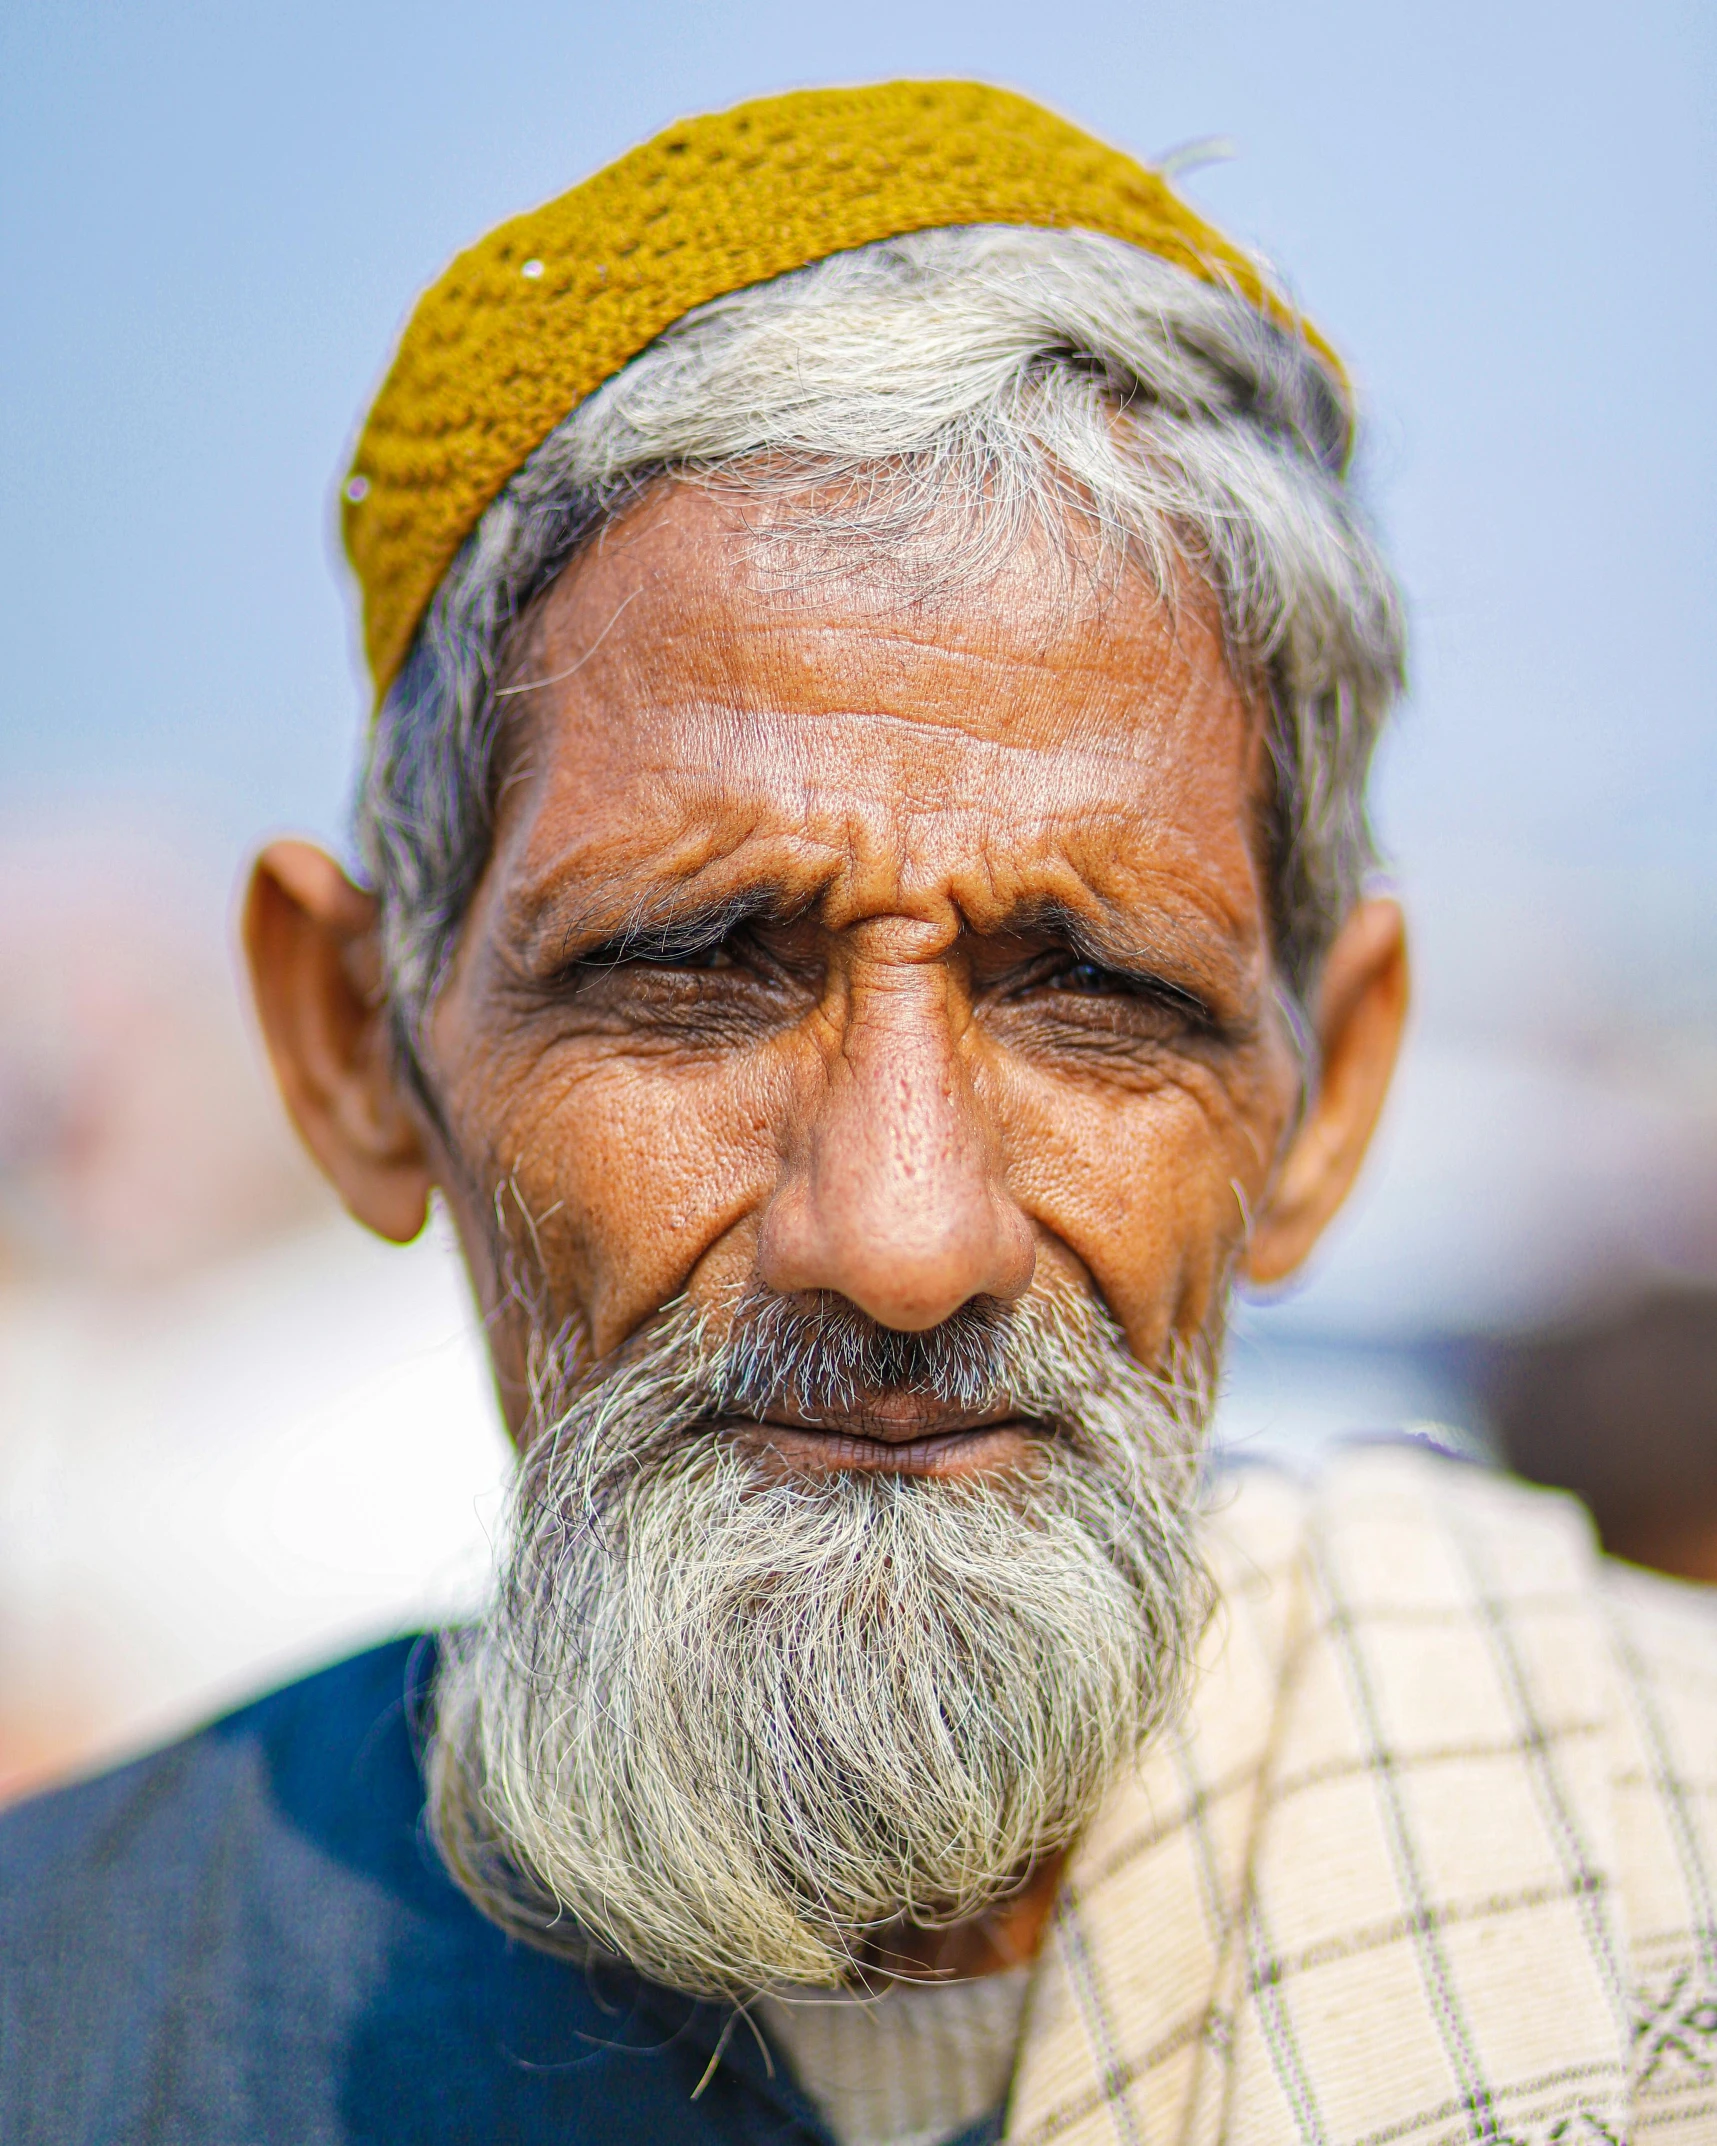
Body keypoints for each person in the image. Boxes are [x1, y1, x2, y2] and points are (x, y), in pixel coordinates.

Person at [3, 80, 1714, 2146]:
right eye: (691, 969)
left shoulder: (1656, 1863)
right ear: (362, 1052)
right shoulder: (68, 2019)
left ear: (1328, 1092)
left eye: (1096, 992)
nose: (901, 1235)